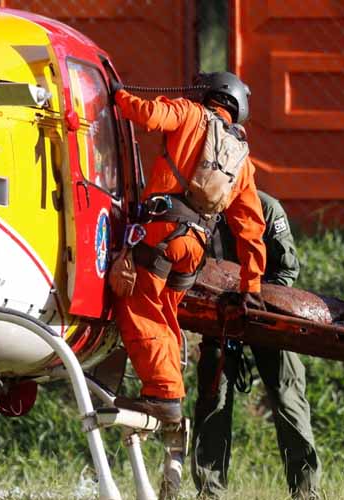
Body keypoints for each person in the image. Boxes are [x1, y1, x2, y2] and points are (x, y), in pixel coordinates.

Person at [109, 71, 267, 422]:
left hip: (161, 233)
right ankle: (165, 391)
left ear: (209, 94)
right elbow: (251, 227)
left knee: (139, 309)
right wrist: (251, 286)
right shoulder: (242, 159)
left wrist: (118, 95)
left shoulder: (189, 114)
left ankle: (164, 395)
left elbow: (148, 115)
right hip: (193, 247)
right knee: (163, 315)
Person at [192, 190, 320, 500]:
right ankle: (210, 493)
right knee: (213, 397)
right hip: (220, 314)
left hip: (269, 314)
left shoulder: (266, 208)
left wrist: (259, 305)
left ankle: (306, 492)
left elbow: (287, 270)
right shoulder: (198, 207)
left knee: (288, 396)